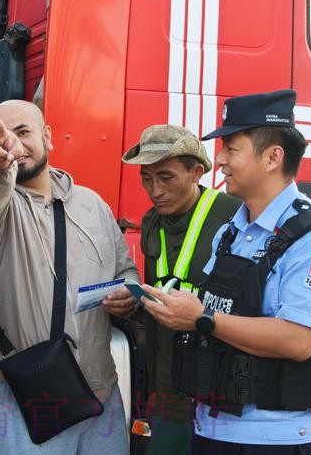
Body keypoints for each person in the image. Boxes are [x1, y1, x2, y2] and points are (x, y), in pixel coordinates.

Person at [141, 90, 311, 455]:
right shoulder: (233, 229)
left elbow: (298, 340)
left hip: (273, 440)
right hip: (212, 427)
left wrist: (202, 318)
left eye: (232, 149)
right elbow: (219, 303)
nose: (220, 160)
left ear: (273, 157)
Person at [0, 99, 139, 454]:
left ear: (47, 136)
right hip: (24, 395)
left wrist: (129, 295)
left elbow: (125, 270)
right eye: (1, 136)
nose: (14, 144)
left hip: (99, 392)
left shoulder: (92, 204)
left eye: (23, 132)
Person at [121, 125, 240, 454]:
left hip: (217, 393)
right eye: (146, 179)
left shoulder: (234, 216)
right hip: (168, 392)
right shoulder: (152, 222)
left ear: (196, 173)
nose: (155, 190)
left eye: (166, 177)